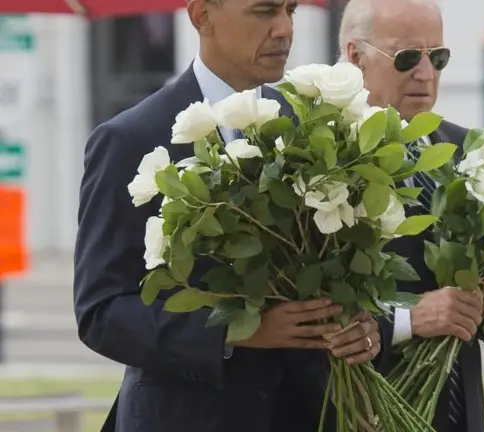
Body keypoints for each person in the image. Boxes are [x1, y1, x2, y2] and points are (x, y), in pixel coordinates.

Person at [73, 1, 387, 431]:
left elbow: (335, 274)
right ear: (202, 15)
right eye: (264, 11)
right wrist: (234, 331)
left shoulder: (310, 126)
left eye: (290, 11)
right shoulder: (130, 139)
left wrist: (359, 326)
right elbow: (102, 313)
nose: (283, 30)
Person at [339, 1, 484, 431]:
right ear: (355, 56)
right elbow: (301, 309)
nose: (425, 73)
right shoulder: (319, 163)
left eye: (437, 57)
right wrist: (406, 320)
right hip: (357, 413)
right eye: (406, 57)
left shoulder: (470, 153)